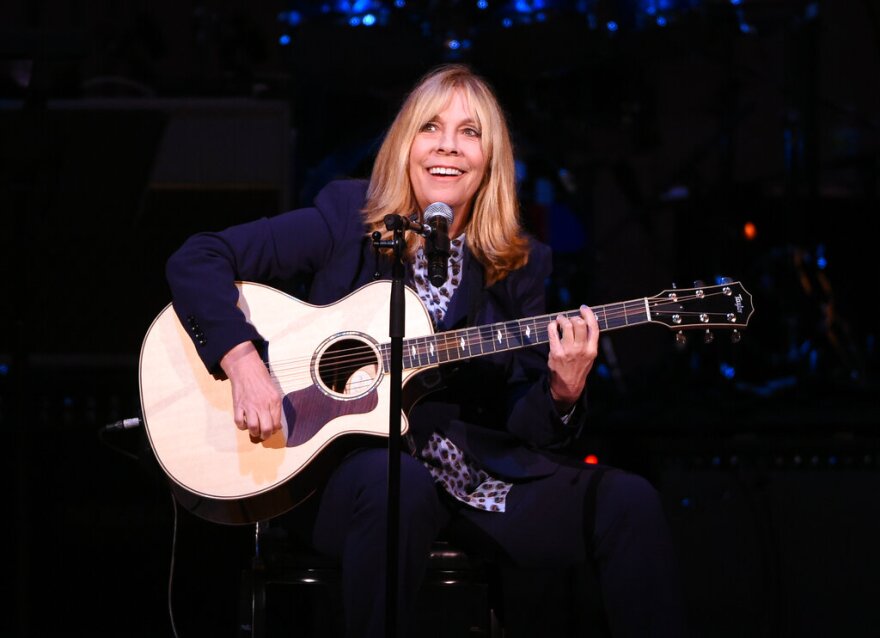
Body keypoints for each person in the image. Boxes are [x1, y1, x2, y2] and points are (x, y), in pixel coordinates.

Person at [166, 63, 685, 638]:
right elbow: (198, 258)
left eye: (470, 132)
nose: (448, 146)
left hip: (472, 483)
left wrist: (563, 391)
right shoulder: (347, 218)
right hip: (341, 478)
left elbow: (529, 425)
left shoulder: (519, 264)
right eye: (430, 127)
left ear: (490, 158)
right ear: (405, 143)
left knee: (630, 502)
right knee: (400, 486)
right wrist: (242, 360)